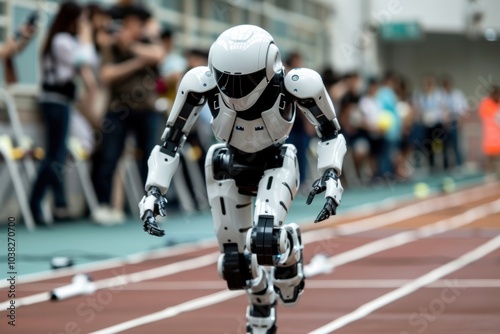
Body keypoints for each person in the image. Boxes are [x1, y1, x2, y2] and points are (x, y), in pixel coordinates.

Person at [138, 25, 347, 333]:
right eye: (226, 80)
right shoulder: (201, 84)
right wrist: (153, 191)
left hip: (275, 161)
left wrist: (331, 174)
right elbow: (171, 140)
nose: (235, 89)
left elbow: (330, 131)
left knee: (265, 239)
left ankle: (288, 246)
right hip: (226, 162)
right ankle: (261, 303)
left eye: (245, 81)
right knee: (233, 264)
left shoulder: (297, 84)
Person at [90, 3, 165, 224]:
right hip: (118, 110)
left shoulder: (147, 41)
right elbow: (106, 75)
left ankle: (151, 206)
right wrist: (137, 62)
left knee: (151, 160)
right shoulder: (110, 46)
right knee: (109, 157)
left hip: (147, 110)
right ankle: (105, 206)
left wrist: (132, 48)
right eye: (128, 22)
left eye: (136, 23)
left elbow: (158, 55)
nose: (131, 26)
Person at [29, 1, 96, 224]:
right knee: (54, 156)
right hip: (55, 102)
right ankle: (35, 203)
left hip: (61, 102)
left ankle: (58, 204)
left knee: (58, 154)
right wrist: (87, 37)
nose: (83, 24)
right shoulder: (62, 40)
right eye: (81, 20)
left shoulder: (61, 40)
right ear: (72, 19)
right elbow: (86, 60)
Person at [413, 74, 447, 172]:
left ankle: (444, 165)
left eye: (430, 82)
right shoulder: (421, 95)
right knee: (429, 146)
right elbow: (418, 109)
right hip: (426, 125)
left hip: (437, 123)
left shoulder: (439, 94)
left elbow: (444, 108)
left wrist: (445, 120)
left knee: (440, 145)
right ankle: (432, 166)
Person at [441, 75, 468, 171]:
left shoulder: (457, 94)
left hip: (455, 121)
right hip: (444, 124)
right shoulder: (441, 95)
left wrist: (460, 122)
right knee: (445, 145)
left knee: (456, 144)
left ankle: (459, 164)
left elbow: (463, 109)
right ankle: (446, 166)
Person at [478, 85, 500, 179]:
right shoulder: (486, 104)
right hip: (490, 135)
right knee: (490, 156)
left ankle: (497, 173)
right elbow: (484, 114)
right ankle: (490, 174)